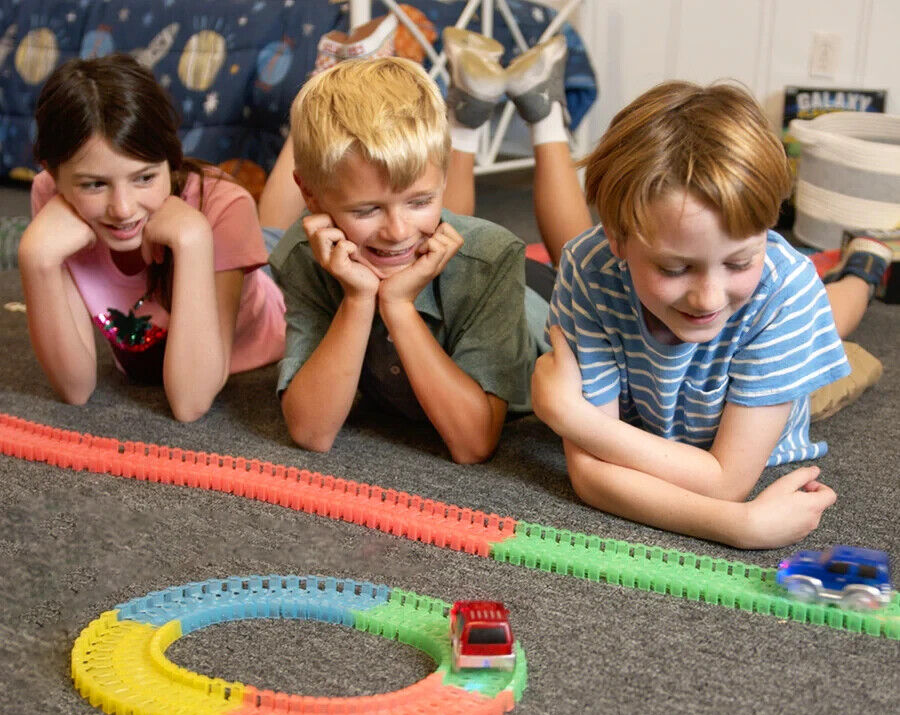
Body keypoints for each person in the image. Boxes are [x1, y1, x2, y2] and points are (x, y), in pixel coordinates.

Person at [530, 81, 877, 550]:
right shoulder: (587, 268)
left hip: (768, 374)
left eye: (738, 262)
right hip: (705, 382)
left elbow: (725, 481)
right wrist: (737, 524)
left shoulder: (788, 291)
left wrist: (572, 418)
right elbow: (591, 475)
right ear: (618, 239)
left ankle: (866, 267)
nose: (708, 298)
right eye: (675, 268)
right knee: (807, 314)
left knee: (832, 322)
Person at [269, 54, 566, 463]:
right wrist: (359, 300)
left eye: (421, 200)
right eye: (366, 210)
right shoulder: (304, 254)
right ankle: (467, 116)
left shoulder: (494, 258)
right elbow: (311, 432)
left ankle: (544, 112)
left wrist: (397, 305)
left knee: (580, 261)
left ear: (444, 179)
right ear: (311, 195)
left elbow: (473, 443)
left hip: (538, 295)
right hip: (448, 262)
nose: (397, 230)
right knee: (427, 232)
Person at [18, 54, 285, 421]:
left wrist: (193, 240)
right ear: (54, 175)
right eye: (95, 184)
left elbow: (191, 403)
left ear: (170, 161)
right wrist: (35, 259)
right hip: (219, 233)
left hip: (269, 283)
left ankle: (304, 120)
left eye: (144, 177)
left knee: (280, 231)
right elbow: (75, 389)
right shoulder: (49, 196)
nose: (124, 208)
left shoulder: (223, 206)